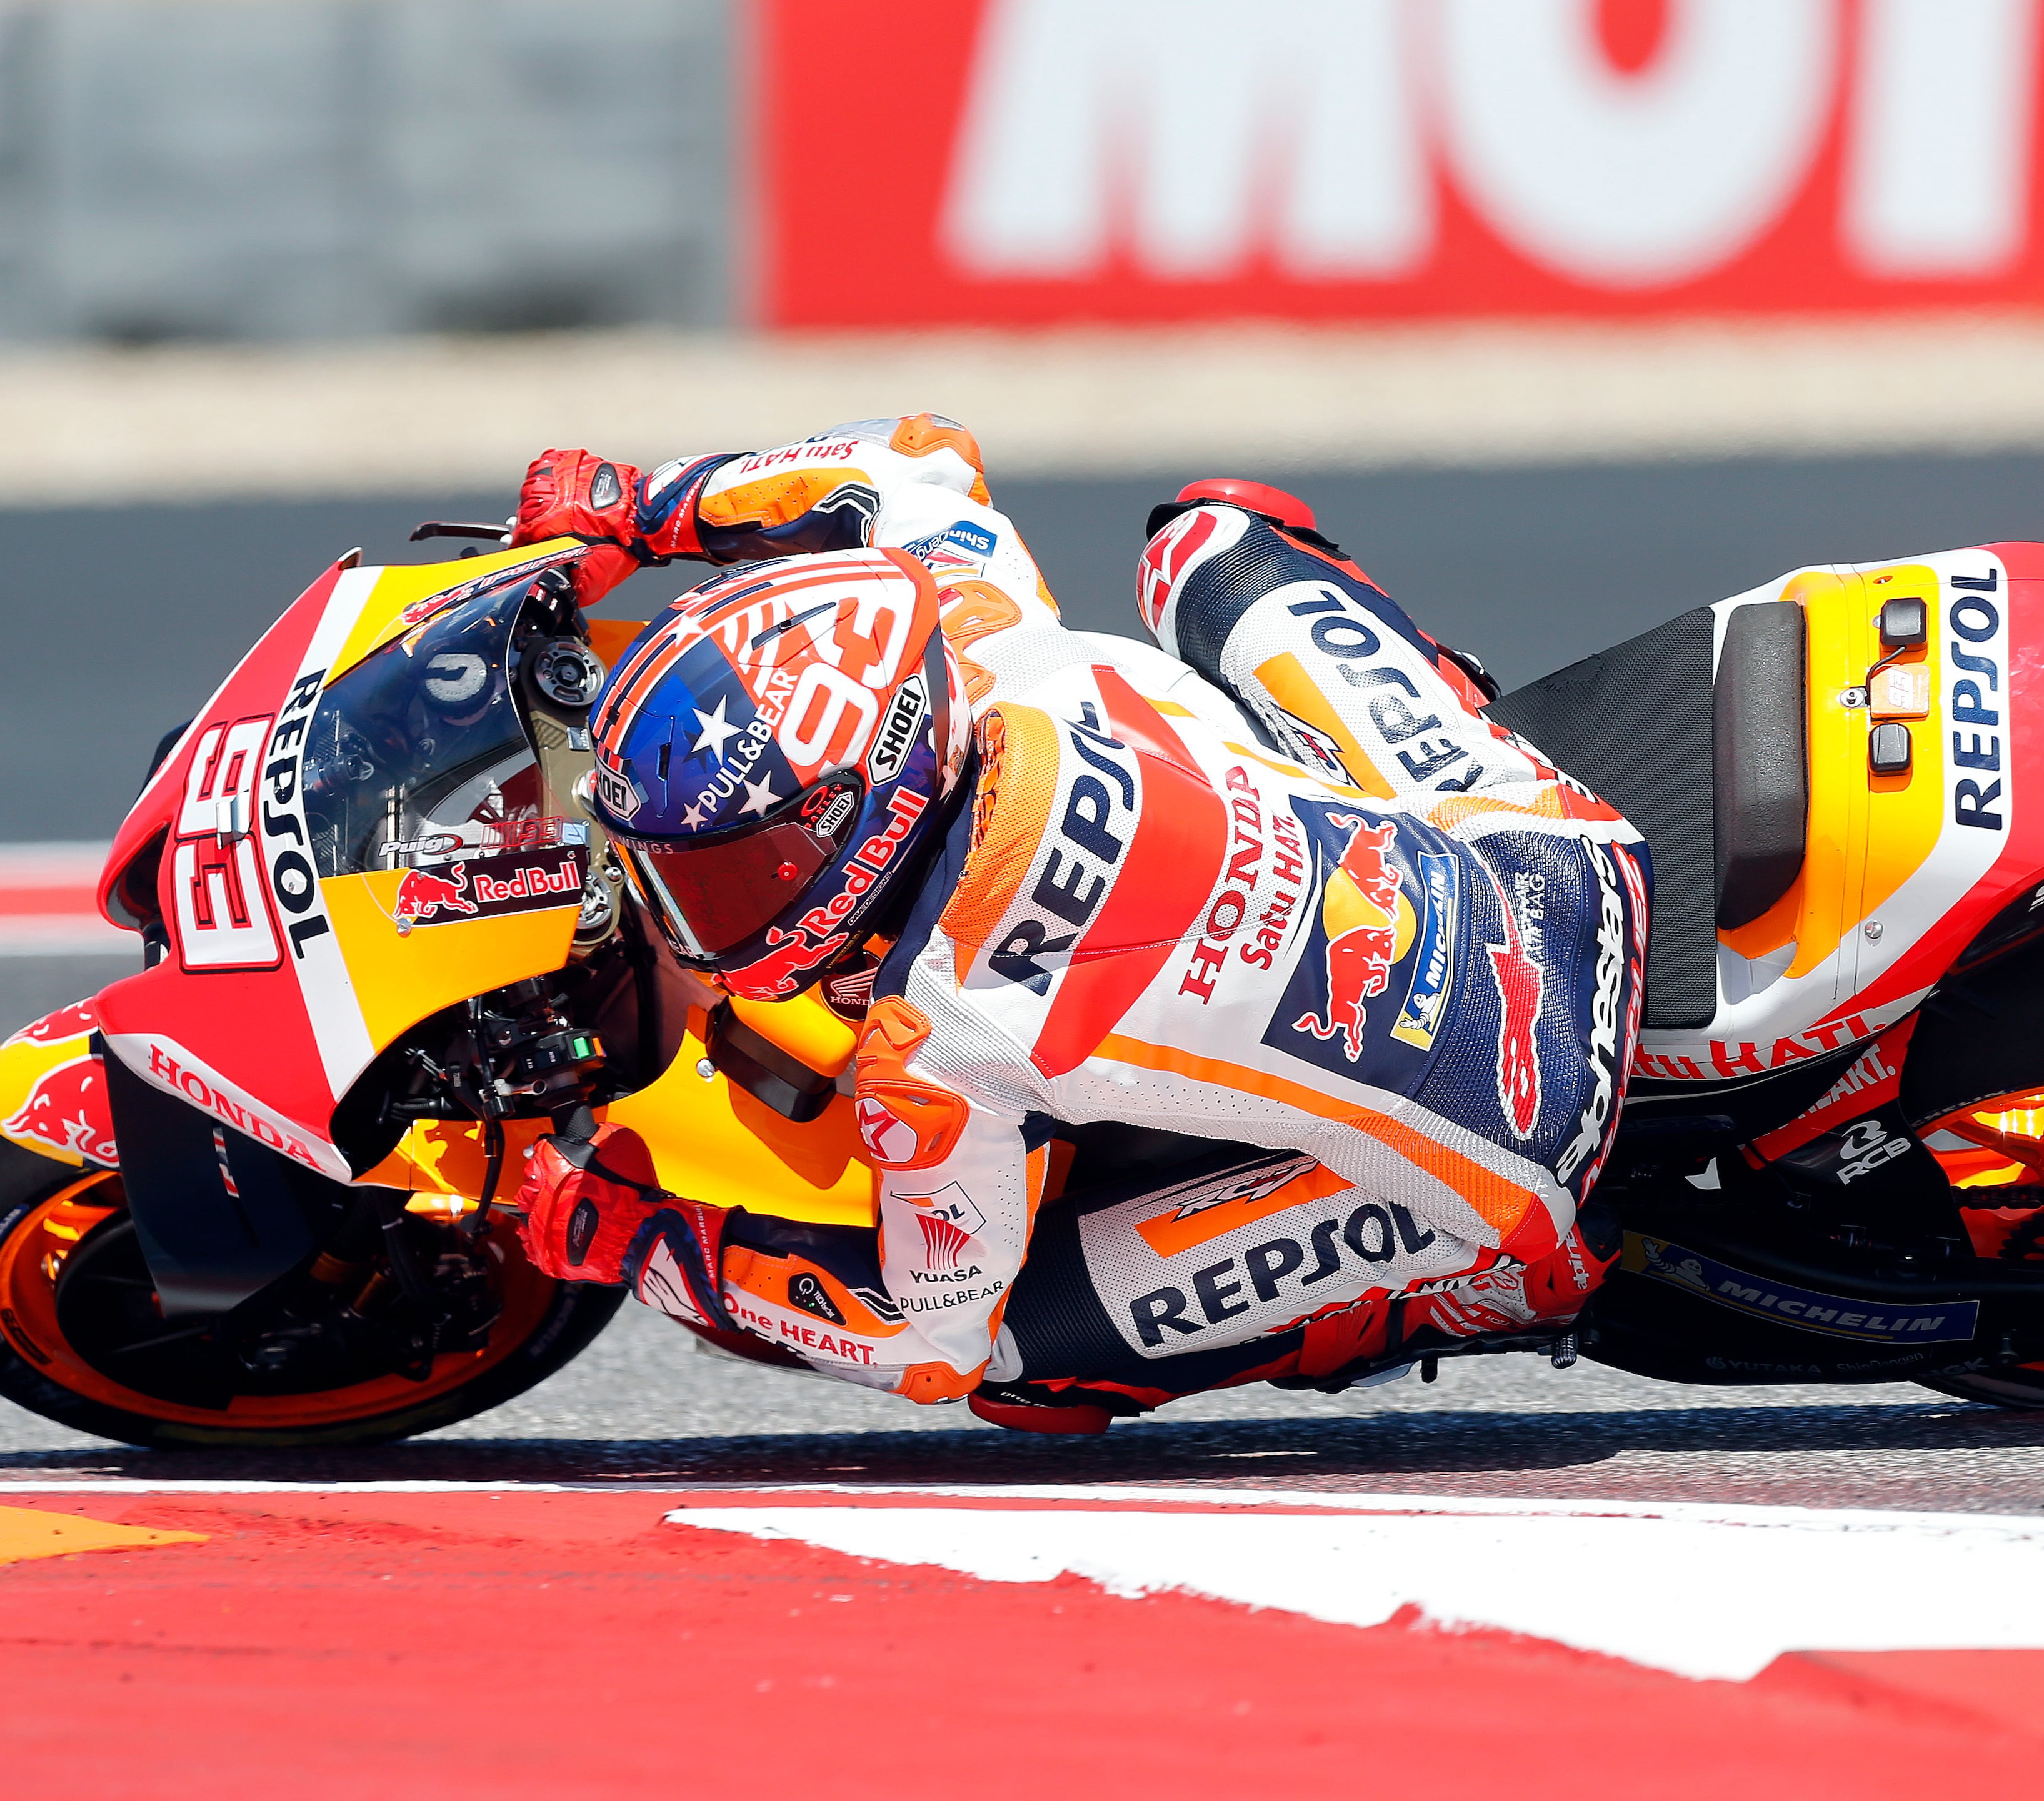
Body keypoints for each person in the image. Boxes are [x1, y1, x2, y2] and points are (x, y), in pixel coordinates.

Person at [509, 416, 1645, 1432]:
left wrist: (643, 1244)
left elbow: (928, 1336)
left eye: (736, 867)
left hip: (1530, 1122)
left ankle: (1471, 1285)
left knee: (1017, 1362)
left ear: (862, 805)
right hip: (1551, 850)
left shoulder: (936, 1038)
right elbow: (912, 458)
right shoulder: (982, 633)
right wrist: (643, 506)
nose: (691, 904)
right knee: (1211, 537)